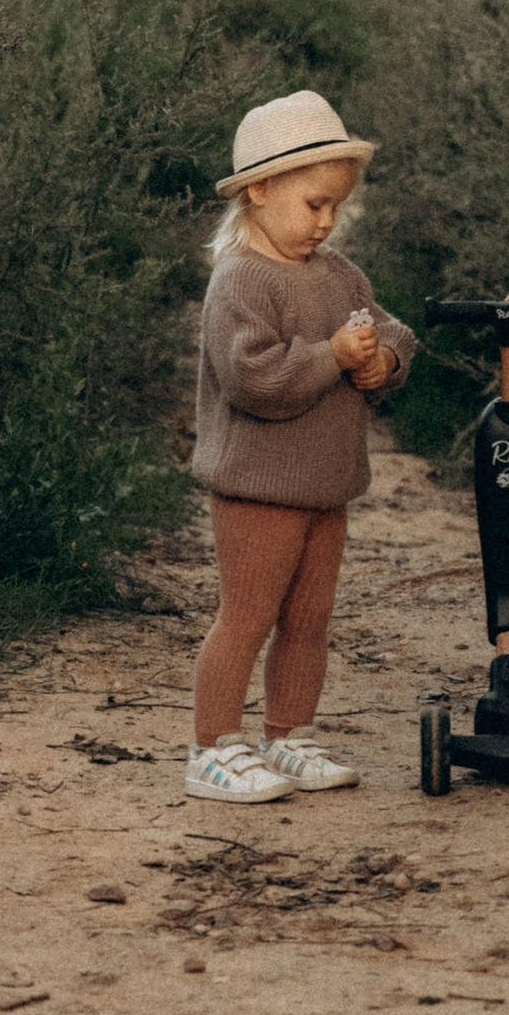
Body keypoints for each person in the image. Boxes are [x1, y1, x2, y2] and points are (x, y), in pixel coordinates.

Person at [186, 89, 415, 804]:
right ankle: (212, 748)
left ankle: (288, 736)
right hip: (257, 487)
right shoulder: (240, 283)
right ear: (259, 190)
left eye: (335, 208)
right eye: (314, 204)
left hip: (325, 486)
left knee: (309, 621)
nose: (326, 222)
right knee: (248, 617)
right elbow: (255, 381)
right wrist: (335, 358)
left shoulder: (339, 274)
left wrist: (386, 361)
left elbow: (390, 329)